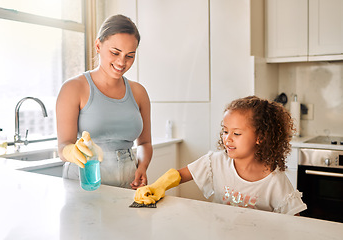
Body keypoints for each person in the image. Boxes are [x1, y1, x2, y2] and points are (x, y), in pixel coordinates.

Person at [134, 96, 307, 215]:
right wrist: (158, 186)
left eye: (237, 134)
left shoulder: (275, 181)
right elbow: (180, 175)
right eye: (225, 131)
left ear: (260, 137)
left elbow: (294, 221)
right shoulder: (215, 162)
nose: (227, 139)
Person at [56, 14, 152, 189]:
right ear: (98, 45)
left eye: (130, 56)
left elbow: (145, 143)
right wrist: (71, 151)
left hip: (128, 183)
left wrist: (142, 167)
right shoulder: (73, 88)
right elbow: (63, 147)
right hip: (84, 183)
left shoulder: (139, 93)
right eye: (115, 53)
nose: (122, 62)